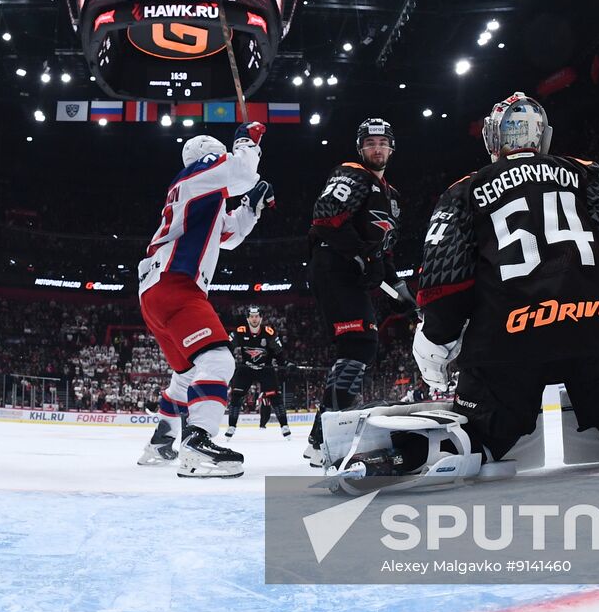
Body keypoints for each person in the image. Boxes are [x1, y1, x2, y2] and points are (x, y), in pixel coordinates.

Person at [411, 92, 599, 465]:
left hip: (504, 345)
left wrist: (435, 335)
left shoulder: (463, 190)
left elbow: (444, 283)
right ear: (542, 135)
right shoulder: (585, 171)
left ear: (494, 138)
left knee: (478, 443)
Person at [135, 123, 271, 477]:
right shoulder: (199, 173)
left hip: (155, 292)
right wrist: (246, 142)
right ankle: (198, 443)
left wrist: (251, 207)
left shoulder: (198, 197)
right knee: (219, 362)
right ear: (209, 156)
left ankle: (161, 442)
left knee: (186, 375)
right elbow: (241, 171)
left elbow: (227, 235)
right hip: (177, 284)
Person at [303, 118, 414, 466]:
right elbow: (325, 217)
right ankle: (326, 437)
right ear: (360, 148)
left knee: (361, 345)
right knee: (360, 342)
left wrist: (401, 291)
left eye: (383, 143)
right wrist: (362, 254)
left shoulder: (393, 198)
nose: (377, 148)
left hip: (351, 269)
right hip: (332, 264)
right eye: (370, 143)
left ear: (392, 148)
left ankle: (322, 436)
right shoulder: (352, 174)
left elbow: (385, 253)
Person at [223, 305, 290, 438]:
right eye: (252, 317)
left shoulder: (269, 332)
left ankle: (284, 426)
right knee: (236, 397)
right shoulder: (240, 331)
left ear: (261, 318)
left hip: (265, 368)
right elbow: (228, 346)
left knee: (275, 397)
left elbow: (278, 352)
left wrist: (286, 363)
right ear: (247, 318)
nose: (254, 319)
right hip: (246, 368)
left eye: (257, 316)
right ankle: (231, 426)